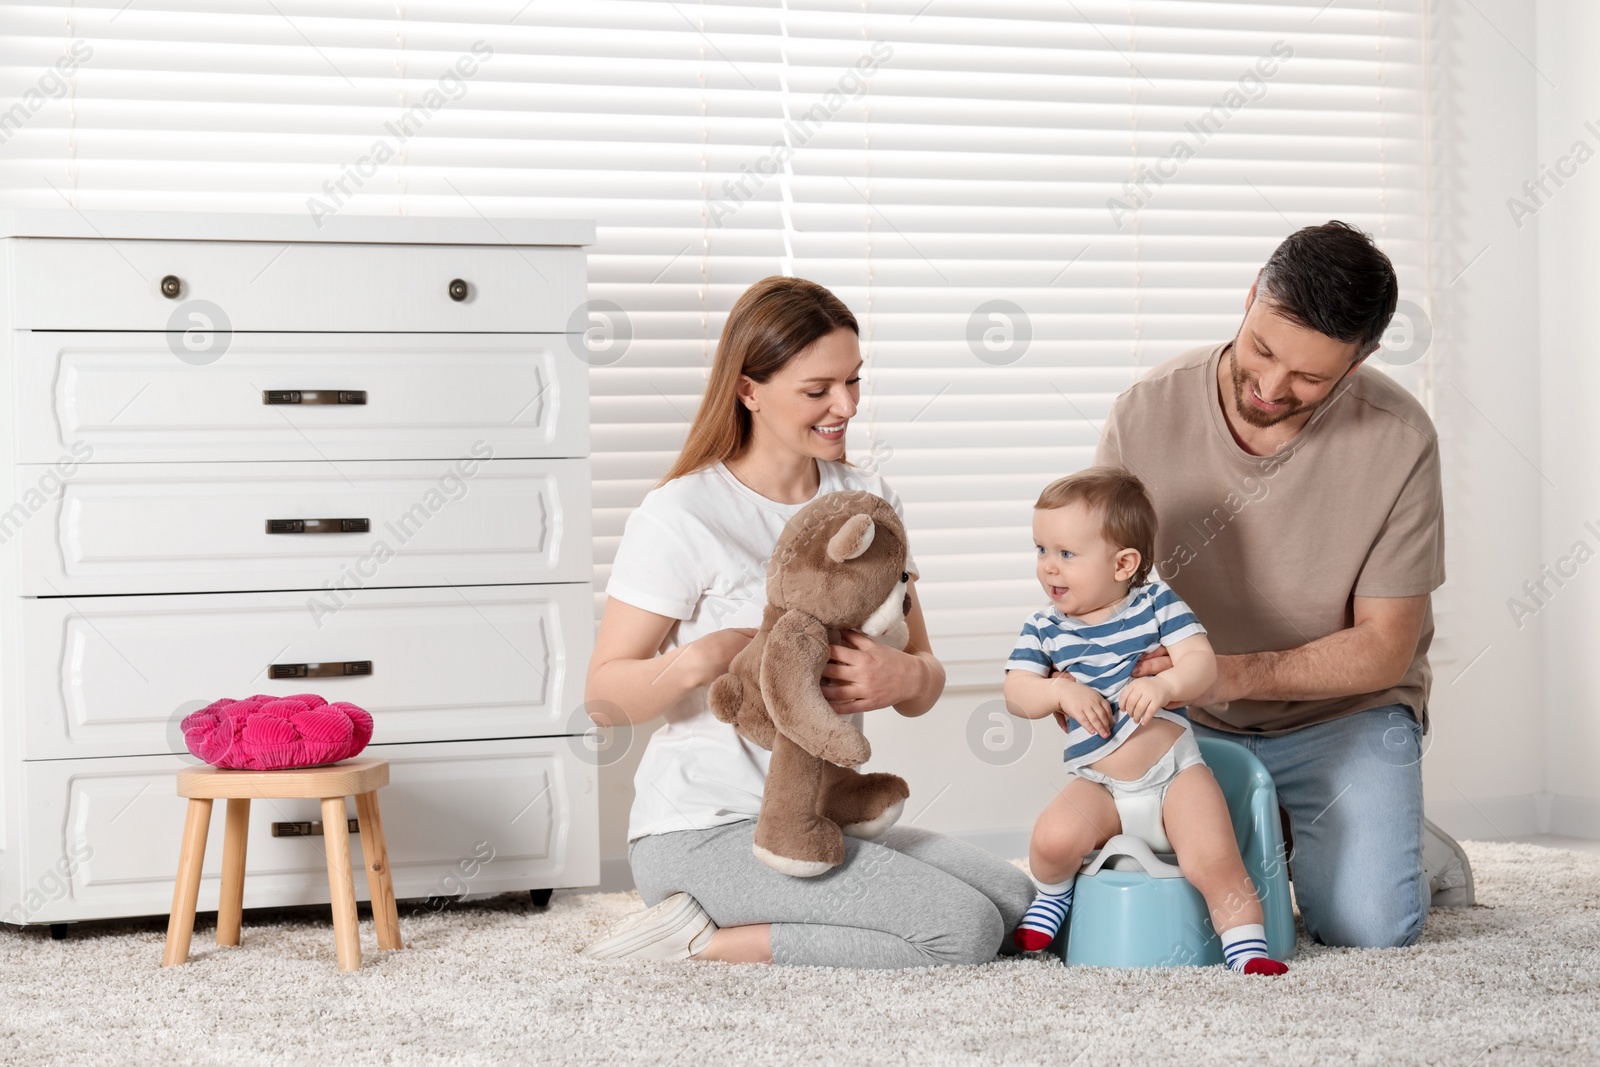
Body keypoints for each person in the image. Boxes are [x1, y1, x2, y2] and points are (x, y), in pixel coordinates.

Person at [581, 275, 1035, 967]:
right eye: (818, 389)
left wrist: (903, 673)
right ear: (749, 388)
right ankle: (702, 941)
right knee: (961, 930)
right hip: (705, 827)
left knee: (1013, 901)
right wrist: (701, 660)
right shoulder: (681, 514)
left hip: (820, 815)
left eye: (854, 381)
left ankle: (739, 925)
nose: (845, 405)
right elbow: (604, 698)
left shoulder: (869, 502)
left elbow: (926, 678)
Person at [1096, 220, 1445, 949]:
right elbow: (1101, 593)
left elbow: (1384, 651)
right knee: (1147, 897)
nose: (1270, 386)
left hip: (1344, 715)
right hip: (1187, 717)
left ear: (1361, 361)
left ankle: (1409, 844)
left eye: (1309, 377)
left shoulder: (1401, 438)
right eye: (1262, 349)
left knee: (1370, 926)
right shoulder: (1144, 412)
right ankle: (1286, 824)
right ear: (1252, 296)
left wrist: (1224, 673)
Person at [1003, 468, 1289, 974]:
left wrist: (1164, 685)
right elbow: (1016, 694)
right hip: (1100, 785)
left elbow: (1199, 662)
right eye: (1040, 550)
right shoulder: (1043, 628)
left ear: (1124, 563)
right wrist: (1058, 690)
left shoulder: (1156, 604)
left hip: (1175, 776)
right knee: (1050, 840)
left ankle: (1246, 948)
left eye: (1066, 554)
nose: (1049, 568)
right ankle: (1052, 897)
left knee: (1214, 860)